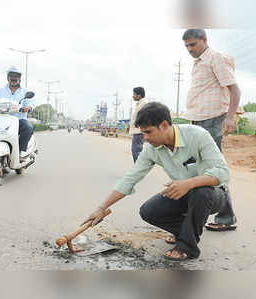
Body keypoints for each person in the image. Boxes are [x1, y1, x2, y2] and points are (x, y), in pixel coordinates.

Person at [82, 102, 231, 261]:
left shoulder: (198, 135)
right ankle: (186, 233)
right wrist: (101, 208)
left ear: (165, 125)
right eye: (143, 133)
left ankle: (187, 246)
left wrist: (189, 183)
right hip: (182, 193)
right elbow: (130, 179)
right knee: (149, 211)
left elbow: (223, 173)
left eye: (148, 132)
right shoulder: (151, 150)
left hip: (213, 195)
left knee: (201, 191)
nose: (145, 138)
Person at [183, 29, 240, 231]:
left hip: (212, 121)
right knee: (195, 168)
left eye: (193, 44)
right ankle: (198, 213)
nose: (190, 49)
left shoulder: (215, 58)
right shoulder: (198, 63)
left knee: (214, 168)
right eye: (187, 46)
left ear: (204, 40)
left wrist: (230, 117)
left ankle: (226, 217)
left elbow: (234, 88)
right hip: (197, 120)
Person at [0, 66, 35, 160]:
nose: (14, 78)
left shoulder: (25, 92)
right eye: (11, 76)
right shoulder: (0, 91)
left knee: (28, 128)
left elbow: (30, 103)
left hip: (19, 120)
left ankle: (20, 152)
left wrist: (27, 107)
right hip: (2, 119)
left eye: (16, 76)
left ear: (19, 78)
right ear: (8, 78)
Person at [129, 87, 149, 163]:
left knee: (136, 151)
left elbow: (143, 117)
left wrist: (139, 127)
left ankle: (138, 170)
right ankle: (138, 169)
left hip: (139, 131)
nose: (133, 96)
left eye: (134, 94)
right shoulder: (140, 103)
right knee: (136, 151)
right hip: (137, 131)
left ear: (139, 95)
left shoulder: (143, 103)